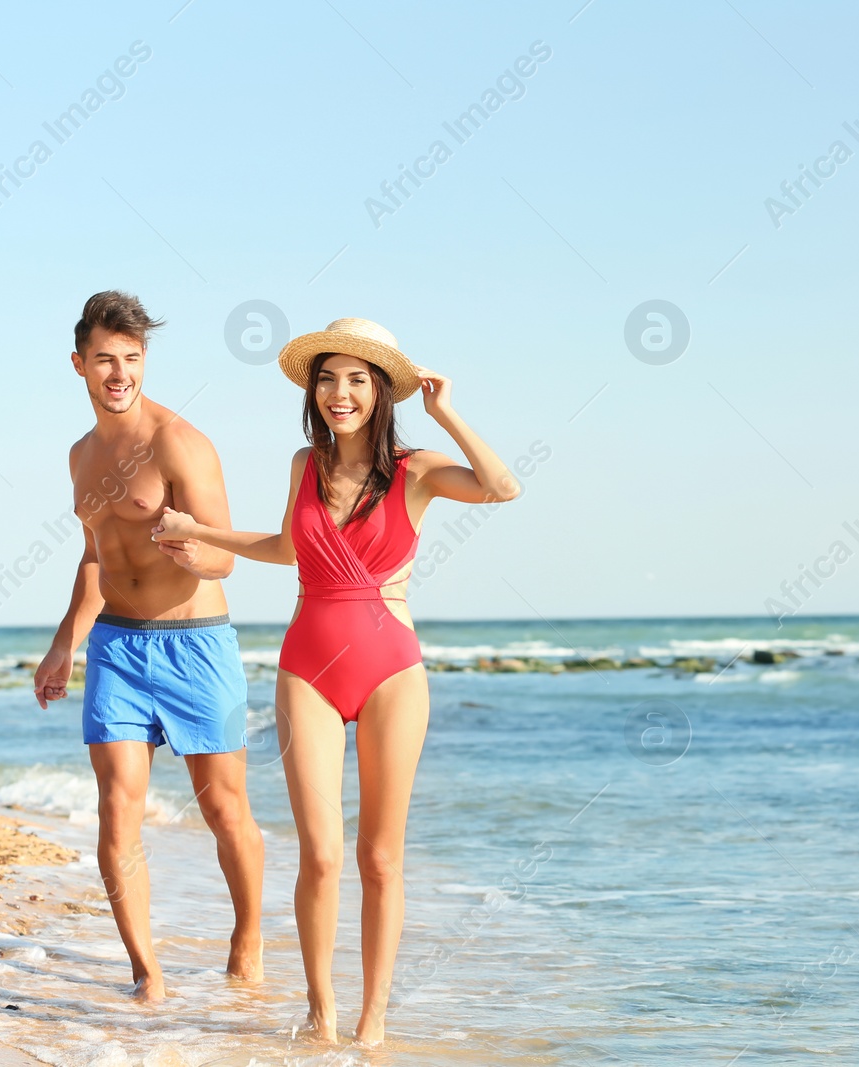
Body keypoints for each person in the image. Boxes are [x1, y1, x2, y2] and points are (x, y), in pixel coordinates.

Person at [152, 317, 520, 1044]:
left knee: (380, 856)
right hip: (307, 666)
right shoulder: (305, 464)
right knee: (320, 853)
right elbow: (290, 546)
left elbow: (502, 487)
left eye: (356, 378)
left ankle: (373, 1020)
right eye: (327, 378)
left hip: (393, 670)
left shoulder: (417, 470)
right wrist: (202, 532)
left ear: (381, 391)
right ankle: (320, 1014)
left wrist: (444, 411)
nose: (339, 392)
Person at [33, 291, 265, 1002]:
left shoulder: (179, 443)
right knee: (116, 806)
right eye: (104, 359)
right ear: (78, 364)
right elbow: (94, 557)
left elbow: (227, 553)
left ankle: (247, 937)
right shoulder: (79, 455)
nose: (119, 372)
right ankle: (146, 971)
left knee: (224, 807)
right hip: (116, 649)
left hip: (197, 645)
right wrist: (63, 644)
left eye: (131, 359)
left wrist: (196, 553)